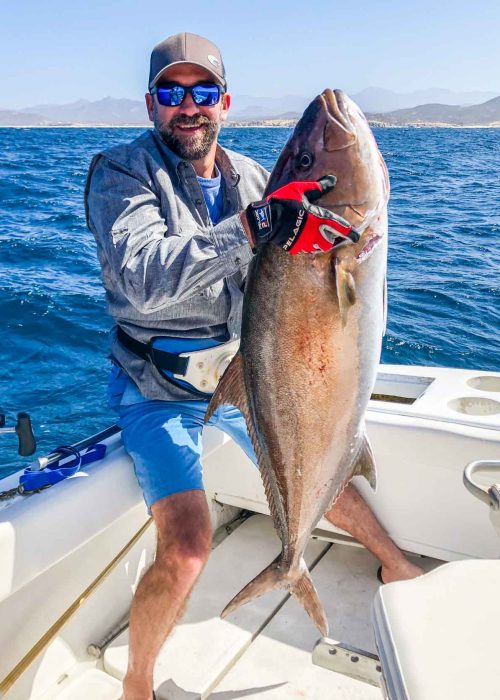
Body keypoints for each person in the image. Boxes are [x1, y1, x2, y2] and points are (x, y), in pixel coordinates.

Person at [85, 32, 422, 700]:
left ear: (225, 102)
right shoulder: (121, 172)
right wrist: (251, 225)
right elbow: (139, 278)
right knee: (186, 546)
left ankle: (397, 569)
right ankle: (137, 682)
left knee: (334, 470)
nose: (189, 107)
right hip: (158, 386)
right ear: (150, 104)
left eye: (202, 91)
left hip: (251, 371)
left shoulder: (252, 174)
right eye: (172, 94)